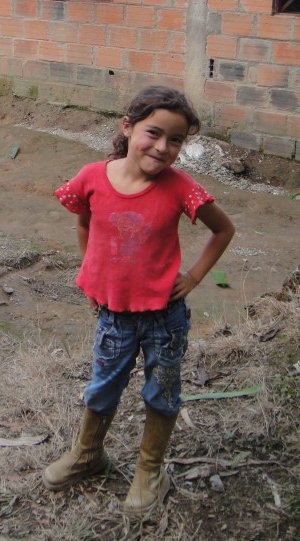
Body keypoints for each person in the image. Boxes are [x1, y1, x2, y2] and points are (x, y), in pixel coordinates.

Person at [42, 85, 235, 517]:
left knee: (161, 391)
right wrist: (92, 280)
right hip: (114, 315)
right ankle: (88, 454)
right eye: (154, 133)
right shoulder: (92, 177)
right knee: (102, 386)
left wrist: (195, 275)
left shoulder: (180, 188)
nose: (163, 147)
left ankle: (150, 470)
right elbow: (85, 227)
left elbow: (223, 230)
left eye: (177, 140)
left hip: (165, 317)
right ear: (127, 128)